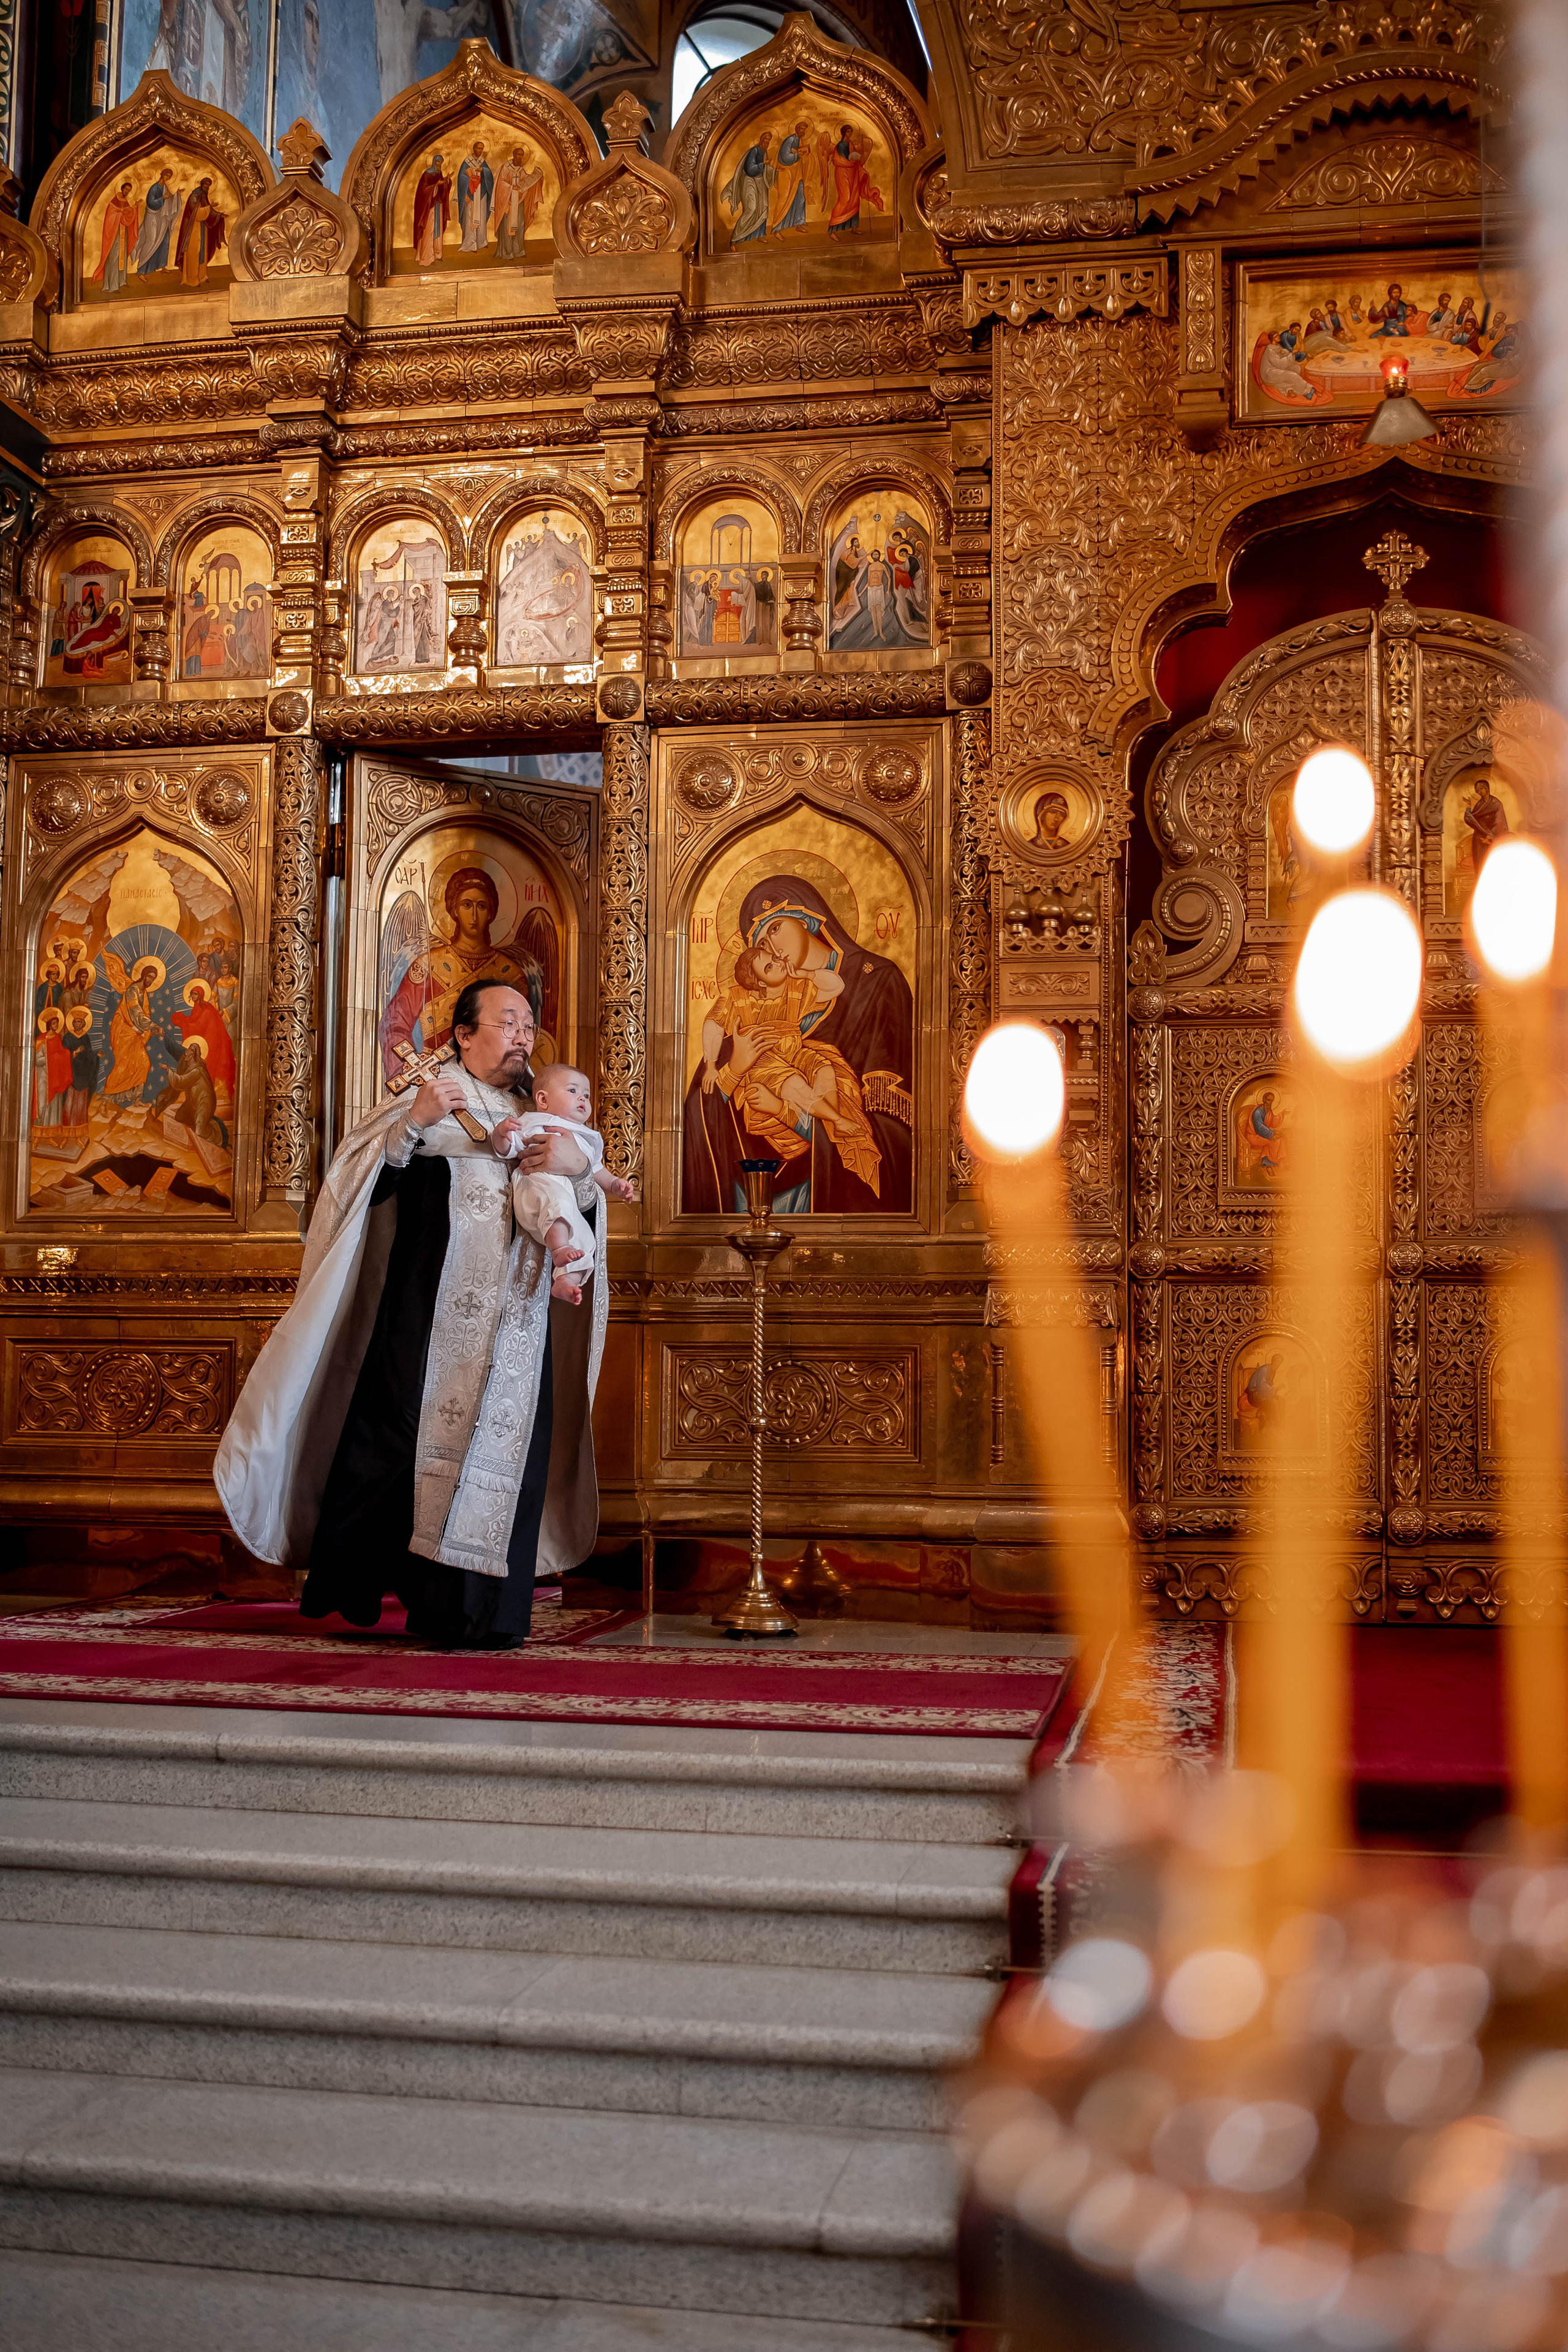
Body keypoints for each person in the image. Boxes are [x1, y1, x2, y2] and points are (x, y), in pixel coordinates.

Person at [215, 981, 606, 1648]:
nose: (522, 1037)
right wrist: (415, 1124)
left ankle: (476, 1615)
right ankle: (362, 1584)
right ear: (463, 1034)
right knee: (396, 1440)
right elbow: (357, 1191)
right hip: (425, 1312)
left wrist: (577, 1171)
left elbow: (580, 1206)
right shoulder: (428, 1097)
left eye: (528, 1025)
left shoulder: (543, 1113)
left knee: (505, 1452)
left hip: (517, 1323)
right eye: (507, 1023)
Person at [496, 1063, 635, 1304]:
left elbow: (596, 1169)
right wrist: (501, 1135)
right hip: (536, 1187)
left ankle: (566, 1282)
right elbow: (509, 1149)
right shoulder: (534, 1122)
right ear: (543, 1099)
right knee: (558, 1202)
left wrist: (614, 1184)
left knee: (585, 1240)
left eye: (586, 1095)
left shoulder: (586, 1136)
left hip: (563, 1200)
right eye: (572, 1091)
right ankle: (559, 1248)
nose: (582, 1098)